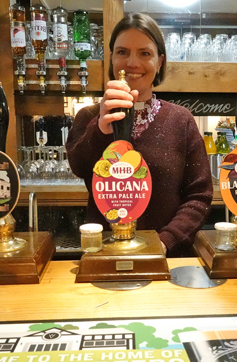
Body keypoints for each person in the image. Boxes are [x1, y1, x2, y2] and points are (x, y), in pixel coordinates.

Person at [66, 13, 213, 257]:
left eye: (145, 53)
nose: (132, 63)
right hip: (104, 254)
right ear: (111, 58)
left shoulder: (181, 120)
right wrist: (102, 129)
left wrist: (165, 242)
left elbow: (199, 196)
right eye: (122, 52)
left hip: (166, 261)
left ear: (160, 62)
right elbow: (80, 167)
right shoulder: (89, 117)